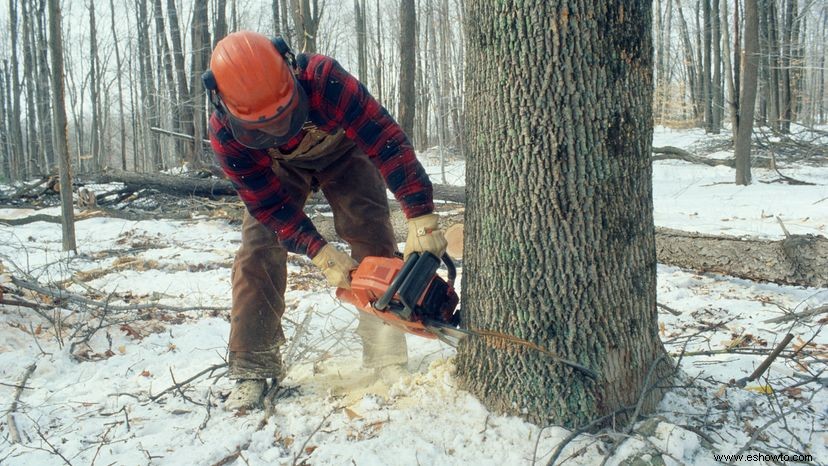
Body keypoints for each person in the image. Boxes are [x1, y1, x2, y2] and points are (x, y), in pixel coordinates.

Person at [203, 31, 447, 410]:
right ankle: (252, 364)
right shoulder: (225, 135)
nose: (276, 130)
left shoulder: (325, 79)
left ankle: (386, 354)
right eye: (260, 127)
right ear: (224, 107)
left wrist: (420, 214)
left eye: (283, 116)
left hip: (342, 150)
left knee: (370, 232)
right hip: (277, 168)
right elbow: (267, 205)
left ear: (291, 68)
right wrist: (318, 251)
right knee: (258, 248)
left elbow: (385, 140)